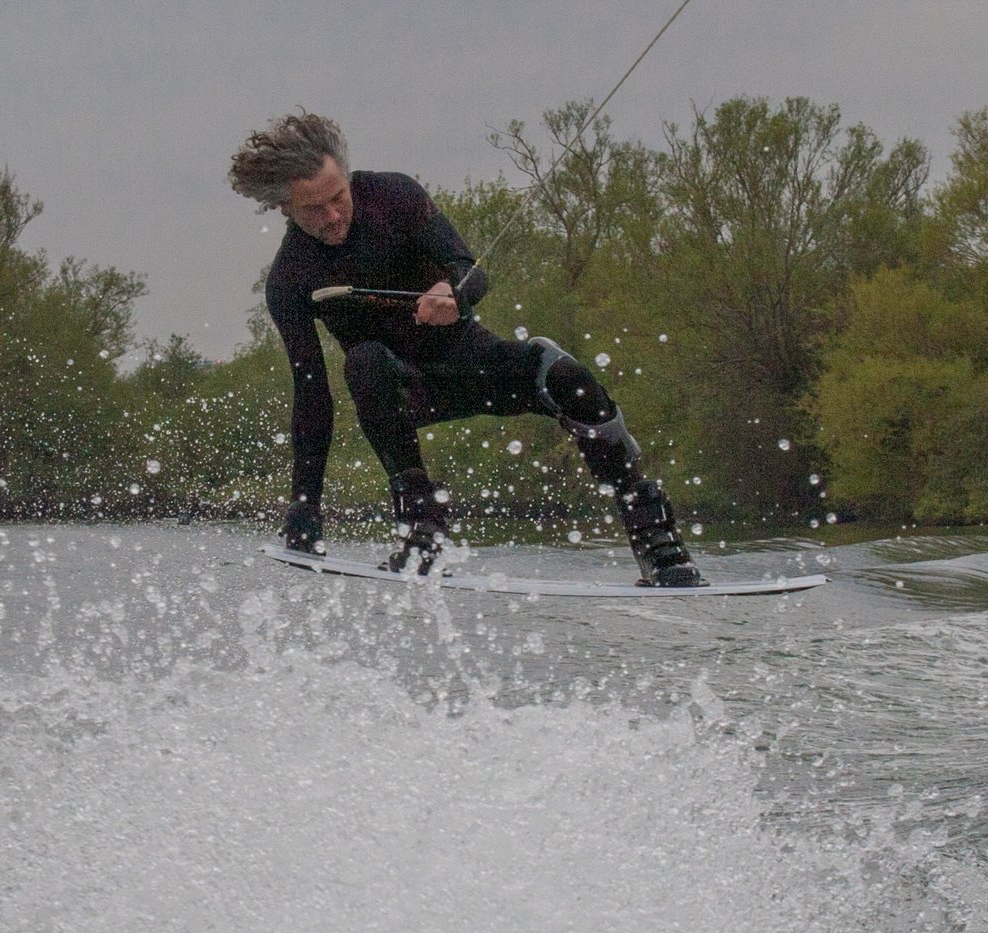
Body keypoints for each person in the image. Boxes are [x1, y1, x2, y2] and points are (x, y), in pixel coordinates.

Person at [225, 112, 704, 587]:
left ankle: (655, 540)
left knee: (567, 377)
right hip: (404, 390)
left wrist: (454, 292)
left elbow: (469, 268)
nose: (333, 217)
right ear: (284, 207)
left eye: (338, 198)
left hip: (473, 362)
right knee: (364, 362)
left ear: (347, 180)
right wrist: (305, 504)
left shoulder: (395, 195)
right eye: (314, 209)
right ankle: (421, 529)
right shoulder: (290, 279)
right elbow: (312, 398)